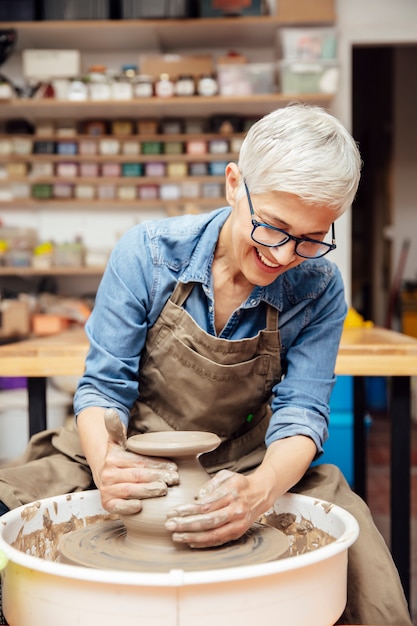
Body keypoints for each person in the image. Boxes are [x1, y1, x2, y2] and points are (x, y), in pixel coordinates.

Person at [0, 104, 411, 625]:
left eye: (311, 239)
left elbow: (303, 412)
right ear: (234, 185)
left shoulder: (320, 287)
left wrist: (259, 492)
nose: (285, 257)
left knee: (367, 574)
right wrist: (106, 465)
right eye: (274, 228)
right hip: (129, 453)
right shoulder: (147, 256)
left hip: (248, 462)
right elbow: (103, 388)